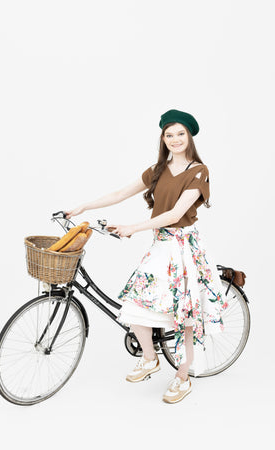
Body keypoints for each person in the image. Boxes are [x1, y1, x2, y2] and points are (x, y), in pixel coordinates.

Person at [66, 108, 227, 404]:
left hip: (183, 246)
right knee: (133, 303)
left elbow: (176, 214)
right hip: (161, 244)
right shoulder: (158, 170)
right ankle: (150, 359)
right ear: (163, 138)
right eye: (169, 134)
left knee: (184, 315)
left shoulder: (198, 171)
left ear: (189, 136)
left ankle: (182, 377)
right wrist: (83, 207)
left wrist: (133, 228)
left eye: (181, 133)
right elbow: (120, 193)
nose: (175, 139)